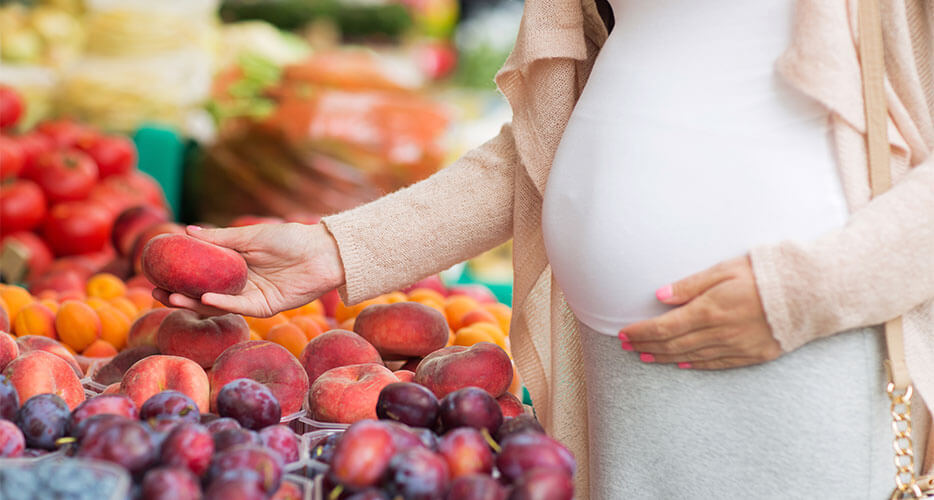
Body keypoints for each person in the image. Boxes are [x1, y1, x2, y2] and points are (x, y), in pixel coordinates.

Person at [158, 0, 934, 497]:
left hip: (799, 346)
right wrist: (341, 247)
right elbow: (547, 138)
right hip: (606, 362)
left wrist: (810, 292)